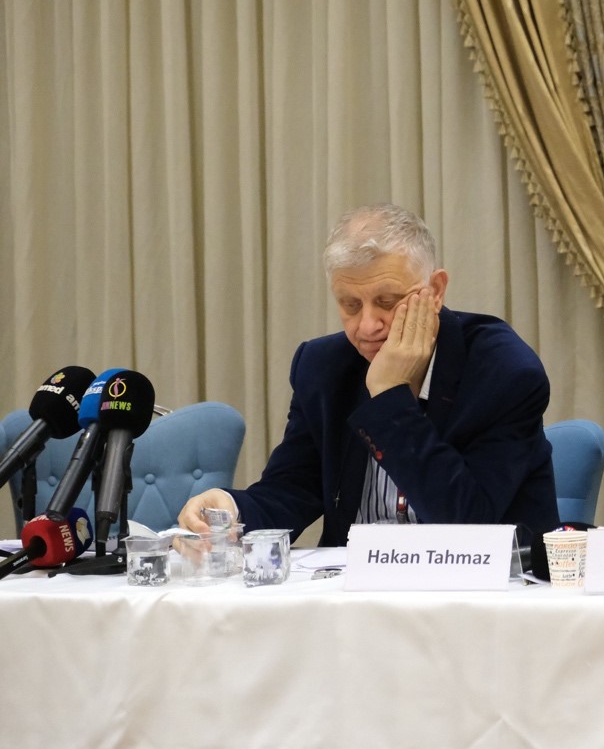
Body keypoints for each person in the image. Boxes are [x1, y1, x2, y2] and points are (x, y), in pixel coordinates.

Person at [178, 204, 558, 548]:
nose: (367, 326)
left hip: (480, 588)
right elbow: (291, 490)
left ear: (436, 290)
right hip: (354, 589)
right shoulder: (323, 367)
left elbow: (467, 523)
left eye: (387, 303)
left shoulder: (504, 372)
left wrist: (389, 396)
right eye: (350, 305)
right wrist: (230, 510)